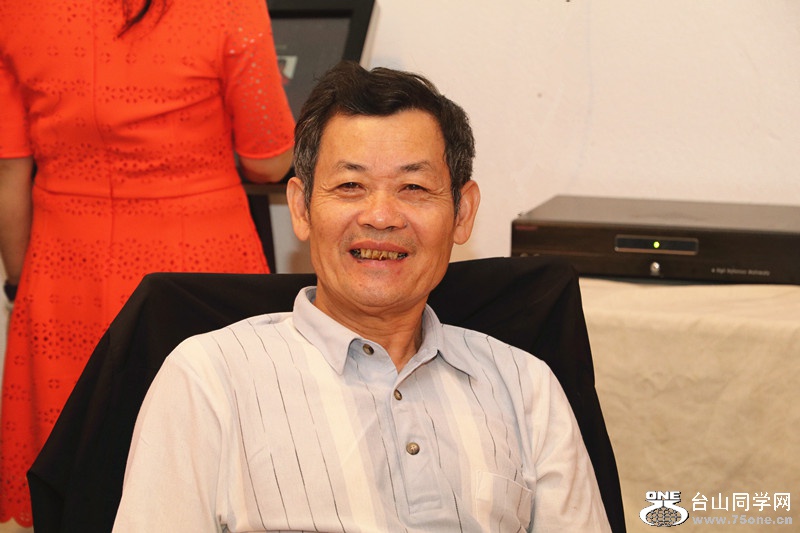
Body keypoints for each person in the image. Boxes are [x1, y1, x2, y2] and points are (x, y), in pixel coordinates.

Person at [112, 61, 612, 532]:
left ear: (462, 213)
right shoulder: (208, 379)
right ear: (301, 209)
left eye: (414, 187)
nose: (381, 216)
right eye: (351, 185)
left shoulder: (527, 387)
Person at [0, 0, 294, 525]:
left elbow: (10, 172)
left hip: (64, 271)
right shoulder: (228, 7)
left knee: (78, 480)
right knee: (207, 471)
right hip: (197, 268)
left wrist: (22, 282)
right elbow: (268, 160)